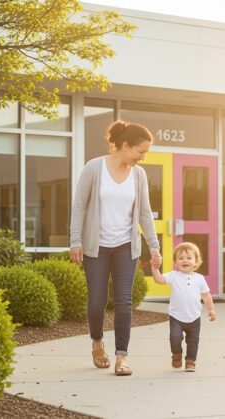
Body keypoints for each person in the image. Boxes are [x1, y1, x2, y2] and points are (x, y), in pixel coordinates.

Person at [69, 120, 162, 376]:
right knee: (97, 302)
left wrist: (154, 246)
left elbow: (145, 214)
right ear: (124, 145)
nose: (142, 158)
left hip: (125, 247)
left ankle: (122, 356)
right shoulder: (94, 168)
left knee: (123, 302)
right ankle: (97, 343)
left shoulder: (138, 175)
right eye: (140, 151)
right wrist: (75, 240)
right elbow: (79, 206)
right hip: (96, 247)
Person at [151, 242, 216, 372]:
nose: (185, 260)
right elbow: (159, 279)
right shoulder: (173, 276)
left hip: (194, 317)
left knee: (193, 342)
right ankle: (176, 355)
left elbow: (206, 295)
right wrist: (154, 268)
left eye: (189, 258)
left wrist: (211, 309)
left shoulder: (199, 279)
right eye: (180, 258)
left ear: (196, 261)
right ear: (175, 262)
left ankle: (190, 361)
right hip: (176, 317)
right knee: (174, 337)